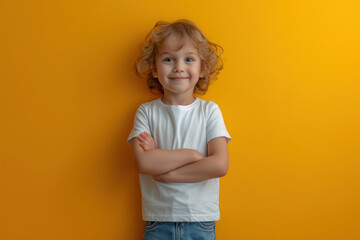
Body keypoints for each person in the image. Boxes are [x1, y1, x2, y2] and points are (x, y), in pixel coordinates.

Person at [127, 19, 231, 240]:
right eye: (168, 59)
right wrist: (193, 156)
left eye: (189, 59)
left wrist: (167, 173)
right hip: (158, 221)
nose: (179, 67)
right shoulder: (146, 112)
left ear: (202, 69)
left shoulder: (209, 111)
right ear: (154, 69)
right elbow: (143, 163)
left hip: (200, 220)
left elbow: (220, 165)